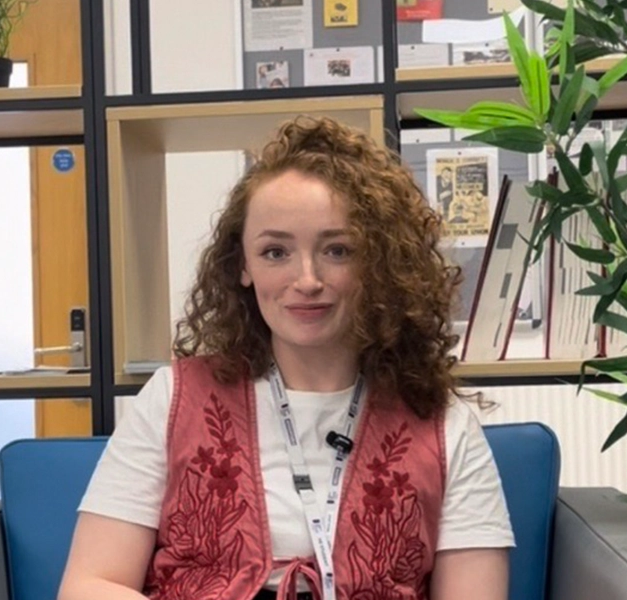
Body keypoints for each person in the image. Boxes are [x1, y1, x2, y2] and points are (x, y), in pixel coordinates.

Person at [58, 117, 514, 600]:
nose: (307, 279)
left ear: (379, 262)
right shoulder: (173, 399)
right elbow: (90, 586)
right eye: (276, 252)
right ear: (243, 267)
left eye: (337, 250)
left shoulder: (444, 425)